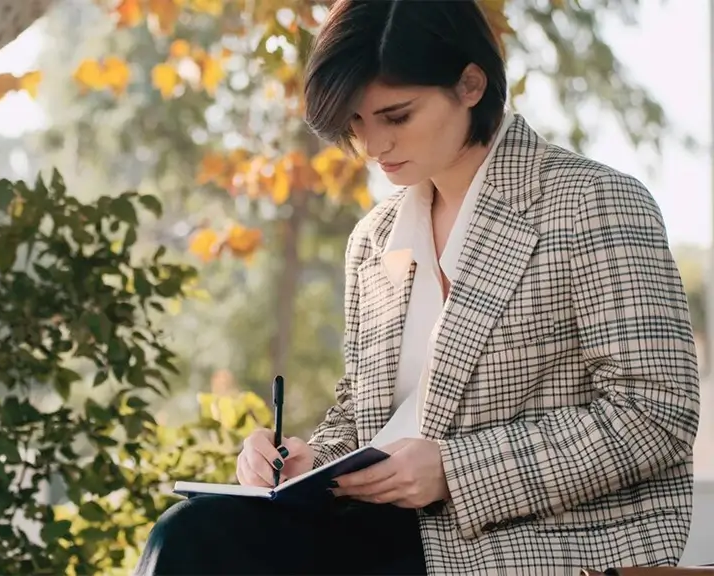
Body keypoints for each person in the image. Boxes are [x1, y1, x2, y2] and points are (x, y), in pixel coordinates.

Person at [133, 0, 701, 574]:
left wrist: (455, 469)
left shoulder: (592, 202)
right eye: (356, 123)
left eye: (396, 116)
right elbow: (362, 414)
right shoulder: (376, 238)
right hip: (382, 533)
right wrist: (307, 461)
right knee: (191, 534)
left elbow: (655, 413)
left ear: (471, 84)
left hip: (541, 542)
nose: (373, 145)